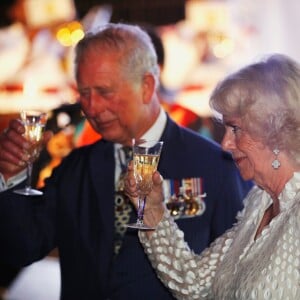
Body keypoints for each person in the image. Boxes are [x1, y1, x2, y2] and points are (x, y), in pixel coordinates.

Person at [0, 23, 251, 300]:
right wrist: (11, 177)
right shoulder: (76, 168)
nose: (92, 107)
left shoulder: (214, 165)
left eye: (105, 91)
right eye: (84, 93)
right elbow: (22, 247)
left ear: (147, 86)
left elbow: (238, 275)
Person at [125, 53, 300, 299]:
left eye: (235, 129)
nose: (226, 143)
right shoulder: (258, 203)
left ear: (275, 133)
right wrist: (152, 209)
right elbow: (194, 283)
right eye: (225, 129)